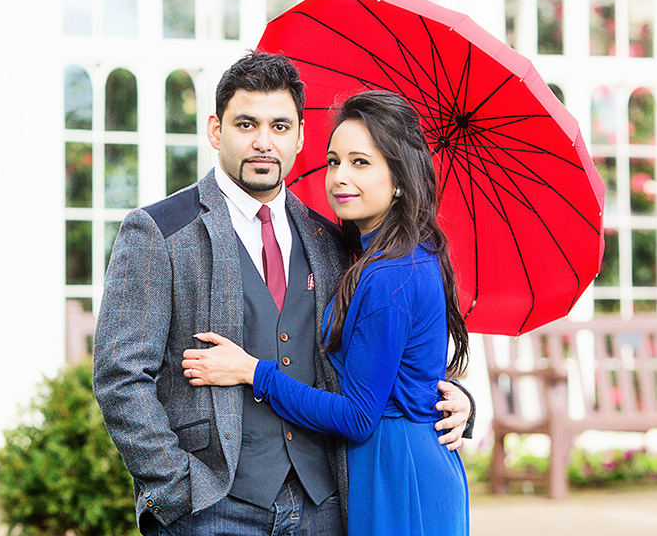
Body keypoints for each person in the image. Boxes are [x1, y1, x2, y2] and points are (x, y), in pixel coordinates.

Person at [93, 52, 475, 536]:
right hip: (214, 509)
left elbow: (385, 357)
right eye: (246, 124)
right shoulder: (160, 233)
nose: (262, 142)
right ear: (216, 130)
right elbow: (120, 376)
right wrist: (177, 489)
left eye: (279, 126)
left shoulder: (336, 241)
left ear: (299, 137)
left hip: (326, 507)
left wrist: (457, 402)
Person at [181, 90, 471, 536]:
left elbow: (358, 416)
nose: (339, 177)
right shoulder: (382, 253)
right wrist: (458, 398)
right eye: (334, 160)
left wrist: (252, 371)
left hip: (399, 471)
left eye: (361, 162)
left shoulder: (390, 273)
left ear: (398, 176)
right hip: (391, 462)